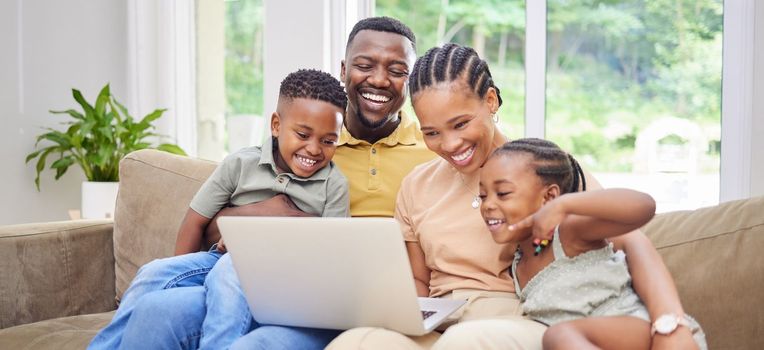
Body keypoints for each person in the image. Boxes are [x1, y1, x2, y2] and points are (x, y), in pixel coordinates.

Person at [91, 16, 436, 350]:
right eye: (365, 65)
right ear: (344, 70)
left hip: (328, 294)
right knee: (157, 312)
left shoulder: (434, 147)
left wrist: (292, 221)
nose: (379, 80)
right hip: (247, 273)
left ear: (410, 80)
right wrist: (265, 213)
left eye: (396, 70)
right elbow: (211, 230)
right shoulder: (302, 137)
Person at [327, 43, 700, 349]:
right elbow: (419, 283)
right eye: (432, 133)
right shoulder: (416, 185)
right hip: (439, 322)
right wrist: (400, 310)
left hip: (521, 319)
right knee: (357, 343)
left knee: (463, 343)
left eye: (460, 124)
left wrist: (672, 322)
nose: (450, 144)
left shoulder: (542, 168)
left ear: (490, 101)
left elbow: (629, 238)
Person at [88, 68, 350, 350]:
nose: (314, 149)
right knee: (153, 272)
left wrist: (270, 236)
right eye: (303, 134)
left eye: (328, 141)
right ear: (276, 125)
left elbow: (329, 254)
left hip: (279, 271)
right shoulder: (240, 164)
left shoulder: (334, 184)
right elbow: (194, 222)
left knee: (229, 270)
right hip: (218, 258)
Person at [478, 138, 706, 350]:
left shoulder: (568, 234)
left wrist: (565, 206)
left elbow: (643, 206)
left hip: (641, 330)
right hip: (592, 342)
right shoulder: (517, 264)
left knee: (559, 335)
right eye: (482, 196)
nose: (488, 205)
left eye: (503, 193)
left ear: (549, 197)